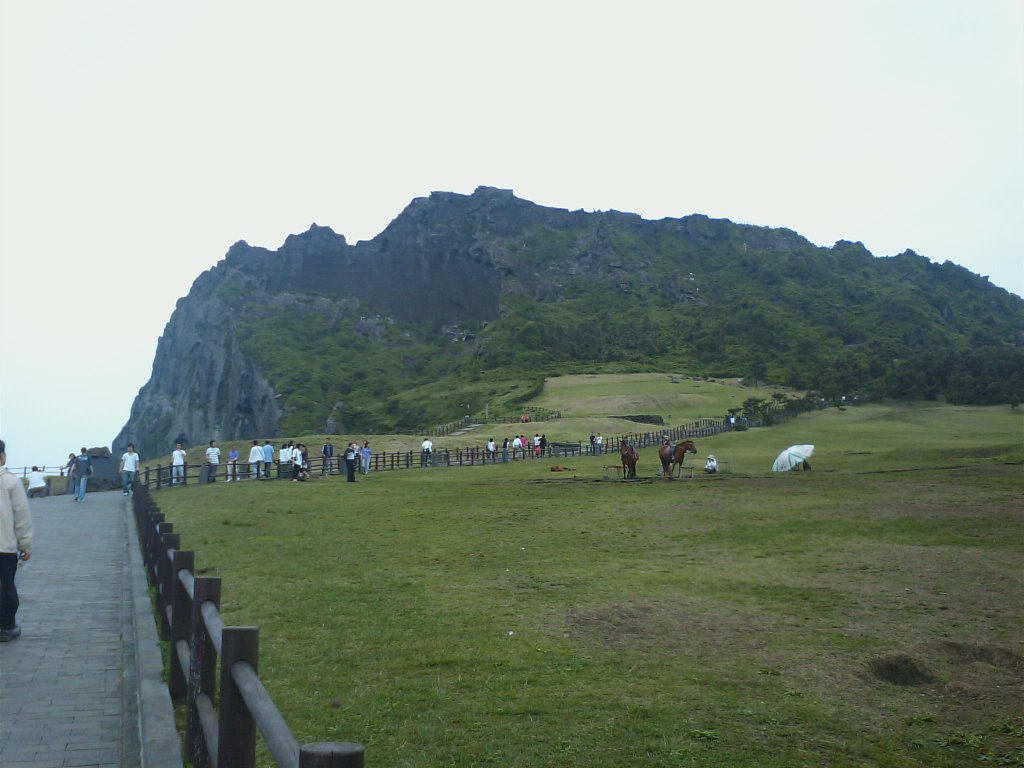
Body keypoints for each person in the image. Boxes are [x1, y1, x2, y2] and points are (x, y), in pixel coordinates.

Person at [1, 439, 33, 642]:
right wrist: (25, 544)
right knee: (6, 587)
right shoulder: (10, 482)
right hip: (4, 546)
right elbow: (21, 515)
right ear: (2, 456)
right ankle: (6, 626)